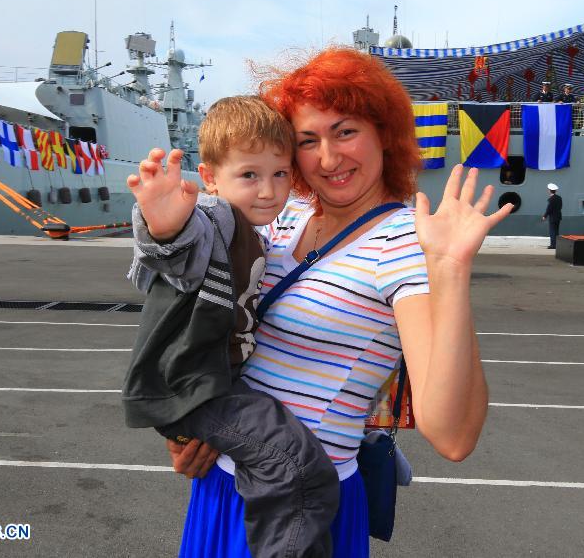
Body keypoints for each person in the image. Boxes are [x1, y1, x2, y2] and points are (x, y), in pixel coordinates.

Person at [137, 47, 513, 557]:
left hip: (301, 505)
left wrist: (449, 269)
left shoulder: (404, 242)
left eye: (346, 131)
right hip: (224, 483)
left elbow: (452, 435)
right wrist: (193, 424)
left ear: (385, 133)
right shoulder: (281, 215)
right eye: (307, 141)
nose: (329, 159)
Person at [125, 96, 339, 558]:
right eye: (249, 175)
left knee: (274, 467)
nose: (268, 190)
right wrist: (162, 225)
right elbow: (180, 244)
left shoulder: (257, 231)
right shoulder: (217, 218)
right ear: (209, 179)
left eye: (280, 174)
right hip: (193, 387)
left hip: (212, 386)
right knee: (297, 467)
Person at [542, 182, 563, 249]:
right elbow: (560, 207)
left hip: (553, 217)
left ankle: (553, 245)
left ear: (549, 190)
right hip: (558, 216)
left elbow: (549, 208)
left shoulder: (551, 199)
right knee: (556, 231)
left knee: (552, 231)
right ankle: (556, 245)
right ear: (555, 190)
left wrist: (545, 216)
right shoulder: (559, 198)